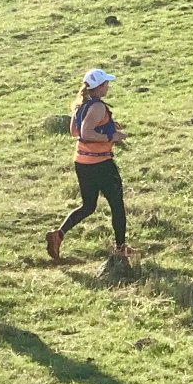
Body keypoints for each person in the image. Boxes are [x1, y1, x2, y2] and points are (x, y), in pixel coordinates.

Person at [46, 68, 128, 267]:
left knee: (88, 206)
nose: (108, 86)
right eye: (106, 83)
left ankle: (59, 234)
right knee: (117, 205)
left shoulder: (80, 106)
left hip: (82, 162)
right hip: (101, 163)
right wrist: (111, 136)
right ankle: (121, 249)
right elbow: (86, 132)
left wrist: (108, 126)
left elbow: (75, 131)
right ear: (99, 87)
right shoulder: (98, 106)